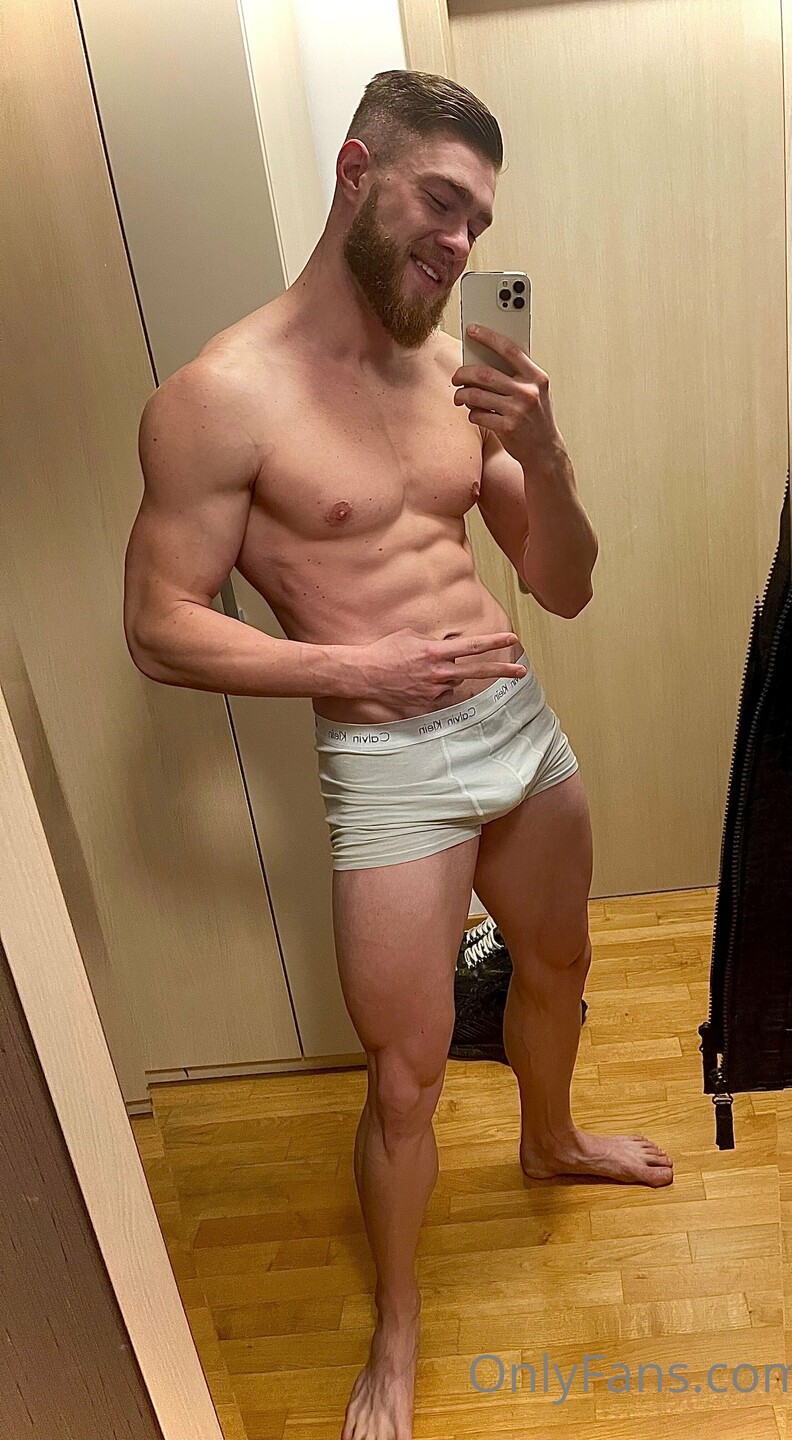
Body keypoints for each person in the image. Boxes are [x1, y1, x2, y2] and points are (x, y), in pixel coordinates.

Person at [123, 69, 673, 1440]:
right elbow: (158, 627)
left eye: (481, 222)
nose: (463, 244)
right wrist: (356, 670)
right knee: (408, 1079)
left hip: (514, 727)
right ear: (358, 172)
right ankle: (399, 1335)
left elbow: (566, 588)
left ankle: (551, 1140)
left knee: (561, 967)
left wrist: (547, 454)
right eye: (442, 203)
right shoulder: (218, 398)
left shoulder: (458, 365)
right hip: (387, 763)